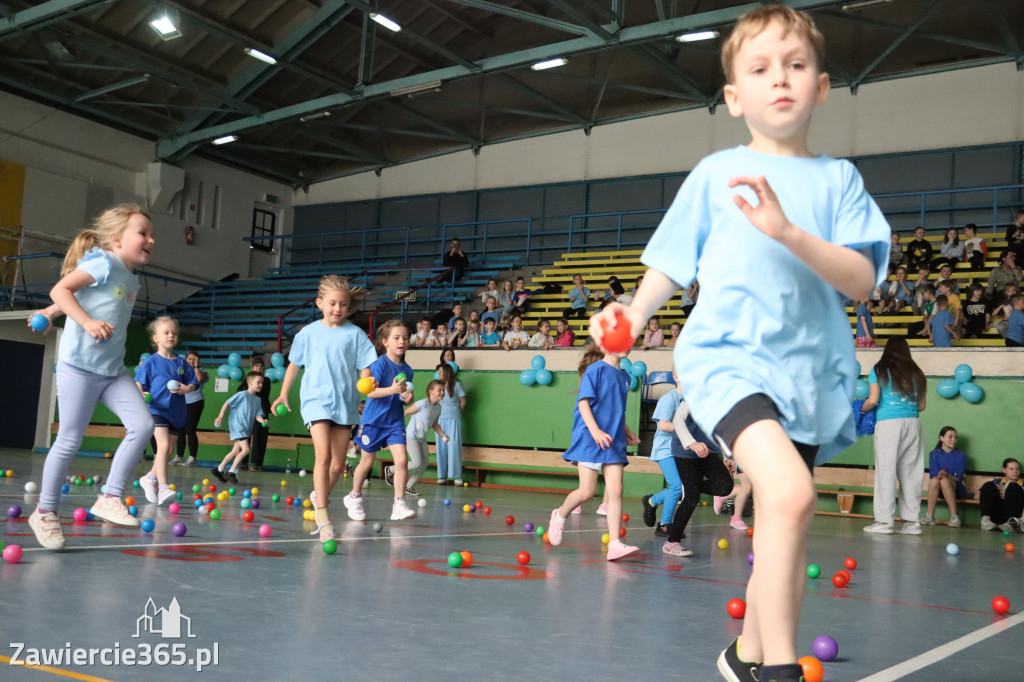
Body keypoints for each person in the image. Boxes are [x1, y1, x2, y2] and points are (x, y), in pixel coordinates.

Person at [590, 7, 890, 680]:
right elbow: (670, 259)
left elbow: (863, 278)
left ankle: (745, 653)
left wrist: (787, 231)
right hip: (727, 360)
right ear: (733, 97)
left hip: (811, 375)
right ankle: (778, 671)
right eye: (759, 68)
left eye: (795, 65)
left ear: (821, 85)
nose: (779, 79)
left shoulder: (839, 181)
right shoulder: (716, 173)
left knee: (787, 523)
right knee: (787, 495)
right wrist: (633, 316)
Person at [25, 204, 156, 549]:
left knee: (142, 426)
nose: (150, 239)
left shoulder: (129, 275)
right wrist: (82, 321)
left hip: (112, 372)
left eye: (149, 233)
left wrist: (51, 314)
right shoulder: (103, 262)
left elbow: (80, 295)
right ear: (116, 239)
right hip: (79, 367)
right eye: (142, 233)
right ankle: (45, 512)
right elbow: (61, 290)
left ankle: (110, 497)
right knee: (69, 439)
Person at [271, 275, 377, 543]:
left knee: (339, 464)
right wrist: (283, 394)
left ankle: (320, 496)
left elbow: (365, 366)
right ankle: (323, 514)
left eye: (342, 304)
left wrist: (366, 382)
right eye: (332, 303)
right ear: (320, 303)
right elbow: (294, 365)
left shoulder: (355, 334)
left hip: (345, 403)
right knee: (323, 456)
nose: (337, 309)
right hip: (316, 401)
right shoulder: (307, 333)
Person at [546, 346, 641, 561]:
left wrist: (626, 431)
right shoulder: (595, 370)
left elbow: (617, 410)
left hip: (613, 439)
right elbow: (583, 403)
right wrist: (595, 431)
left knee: (616, 489)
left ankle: (615, 544)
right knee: (586, 491)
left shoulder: (625, 377)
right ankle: (559, 515)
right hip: (590, 437)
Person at [345, 318, 416, 522]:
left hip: (394, 422)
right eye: (396, 338)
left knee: (402, 460)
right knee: (367, 462)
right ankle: (354, 496)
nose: (401, 341)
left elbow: (403, 395)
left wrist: (407, 398)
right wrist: (392, 390)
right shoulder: (379, 365)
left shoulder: (408, 370)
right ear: (385, 341)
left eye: (405, 338)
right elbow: (371, 393)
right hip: (374, 421)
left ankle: (399, 504)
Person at [861, 337, 927, 536]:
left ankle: (884, 521)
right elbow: (921, 406)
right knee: (911, 472)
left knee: (886, 471)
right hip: (913, 424)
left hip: (889, 423)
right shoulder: (917, 373)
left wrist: (859, 410)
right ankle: (912, 522)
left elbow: (872, 400)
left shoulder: (879, 370)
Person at [135, 316, 197, 505]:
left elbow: (193, 383)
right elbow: (139, 384)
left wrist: (186, 389)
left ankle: (149, 478)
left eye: (174, 333)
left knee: (168, 450)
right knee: (162, 447)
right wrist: (142, 393)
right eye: (166, 332)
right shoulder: (149, 362)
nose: (171, 335)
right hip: (157, 410)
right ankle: (163, 487)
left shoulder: (182, 364)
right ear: (156, 338)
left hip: (177, 413)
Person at [384, 379, 448, 496]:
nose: (442, 392)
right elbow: (405, 413)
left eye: (443, 390)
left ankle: (408, 486)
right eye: (439, 390)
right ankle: (390, 470)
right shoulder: (422, 404)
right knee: (417, 462)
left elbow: (434, 423)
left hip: (422, 438)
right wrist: (395, 428)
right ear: (430, 391)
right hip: (411, 436)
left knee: (424, 463)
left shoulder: (438, 408)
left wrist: (443, 435)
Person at [212, 372, 266, 484]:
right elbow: (227, 403)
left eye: (262, 383)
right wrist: (220, 416)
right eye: (258, 382)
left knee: (235, 451)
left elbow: (258, 415)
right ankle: (231, 472)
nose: (260, 385)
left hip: (246, 428)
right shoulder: (242, 395)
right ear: (250, 382)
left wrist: (263, 421)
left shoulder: (257, 400)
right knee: (246, 450)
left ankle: (218, 469)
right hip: (237, 425)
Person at [923, 426, 966, 527]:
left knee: (945, 481)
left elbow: (958, 477)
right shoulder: (933, 454)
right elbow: (934, 475)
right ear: (941, 438)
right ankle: (929, 516)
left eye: (955, 437)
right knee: (935, 481)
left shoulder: (961, 455)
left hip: (955, 488)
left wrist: (947, 476)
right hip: (938, 488)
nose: (953, 440)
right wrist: (940, 475)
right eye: (950, 437)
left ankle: (955, 517)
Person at [171, 349, 207, 466]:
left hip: (196, 402)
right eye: (189, 359)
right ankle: (179, 456)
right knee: (180, 429)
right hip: (182, 403)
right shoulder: (182, 372)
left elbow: (199, 379)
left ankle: (192, 458)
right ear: (186, 360)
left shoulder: (202, 371)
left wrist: (196, 367)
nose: (191, 361)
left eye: (194, 359)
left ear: (198, 361)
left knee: (190, 429)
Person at [434, 362, 466, 486]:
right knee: (441, 447)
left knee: (454, 447)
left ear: (446, 372)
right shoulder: (438, 386)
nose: (438, 374)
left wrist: (456, 412)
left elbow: (463, 401)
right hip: (440, 420)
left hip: (454, 419)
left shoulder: (457, 385)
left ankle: (456, 476)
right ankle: (442, 476)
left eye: (440, 372)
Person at [239, 356, 272, 471]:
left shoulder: (266, 381)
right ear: (252, 367)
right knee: (245, 436)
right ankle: (243, 462)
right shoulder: (247, 381)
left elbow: (259, 391)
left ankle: (257, 464)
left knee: (260, 438)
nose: (259, 368)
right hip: (248, 412)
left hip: (261, 412)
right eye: (256, 366)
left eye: (261, 366)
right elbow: (239, 391)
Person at [976, 458, 1023, 531]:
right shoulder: (997, 482)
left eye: (1017, 469)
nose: (1015, 471)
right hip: (996, 515)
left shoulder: (1022, 484)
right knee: (988, 485)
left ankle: (1011, 524)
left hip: (1013, 516)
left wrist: (1007, 495)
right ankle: (986, 522)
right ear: (1004, 470)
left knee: (1014, 486)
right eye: (1011, 469)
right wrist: (996, 494)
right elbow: (976, 496)